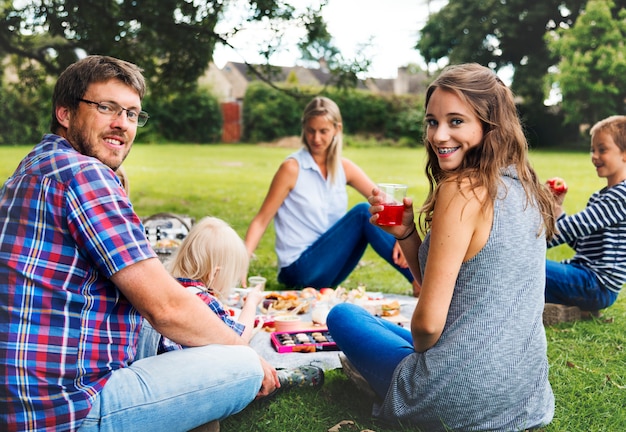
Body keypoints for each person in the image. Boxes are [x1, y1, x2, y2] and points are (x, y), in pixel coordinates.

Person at [0, 55, 278, 432]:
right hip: (67, 409)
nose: (122, 124)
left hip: (19, 397)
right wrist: (241, 351)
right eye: (106, 108)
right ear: (64, 112)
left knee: (188, 338)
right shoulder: (84, 175)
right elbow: (165, 308)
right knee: (239, 363)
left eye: (132, 114)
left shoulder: (33, 166)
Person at [326, 63, 556, 430]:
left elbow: (429, 328)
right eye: (432, 121)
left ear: (489, 124)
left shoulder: (461, 189)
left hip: (459, 398)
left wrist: (425, 351)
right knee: (387, 331)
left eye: (456, 121)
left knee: (344, 316)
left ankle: (384, 387)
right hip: (523, 397)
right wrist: (406, 234)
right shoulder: (529, 189)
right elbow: (446, 280)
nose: (438, 135)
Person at [245, 96, 420, 296]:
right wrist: (240, 264)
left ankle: (421, 280)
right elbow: (261, 220)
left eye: (323, 131)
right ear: (304, 128)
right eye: (311, 130)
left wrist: (400, 236)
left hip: (328, 268)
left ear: (337, 129)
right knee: (363, 213)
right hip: (297, 270)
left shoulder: (344, 168)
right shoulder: (292, 168)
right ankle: (419, 280)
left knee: (370, 212)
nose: (316, 138)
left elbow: (386, 202)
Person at [137, 216, 324, 388]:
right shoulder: (204, 302)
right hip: (187, 378)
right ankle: (282, 379)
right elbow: (238, 342)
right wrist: (251, 303)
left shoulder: (171, 288)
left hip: (158, 371)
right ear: (214, 273)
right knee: (248, 365)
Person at [544, 115, 626, 312]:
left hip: (596, 284)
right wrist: (557, 210)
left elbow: (574, 227)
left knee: (528, 265)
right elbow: (582, 243)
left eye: (602, 149)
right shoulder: (601, 196)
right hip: (585, 277)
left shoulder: (621, 195)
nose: (594, 155)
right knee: (526, 270)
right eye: (593, 149)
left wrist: (528, 242)